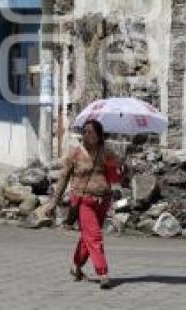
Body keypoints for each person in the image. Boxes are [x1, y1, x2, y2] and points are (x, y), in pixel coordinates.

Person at [42, 119, 122, 289]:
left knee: (88, 237)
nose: (86, 135)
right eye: (84, 131)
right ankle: (103, 273)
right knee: (94, 236)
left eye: (90, 132)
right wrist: (54, 202)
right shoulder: (75, 154)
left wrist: (121, 166)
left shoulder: (106, 153)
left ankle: (76, 266)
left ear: (99, 136)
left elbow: (114, 175)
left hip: (103, 200)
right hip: (83, 201)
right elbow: (63, 179)